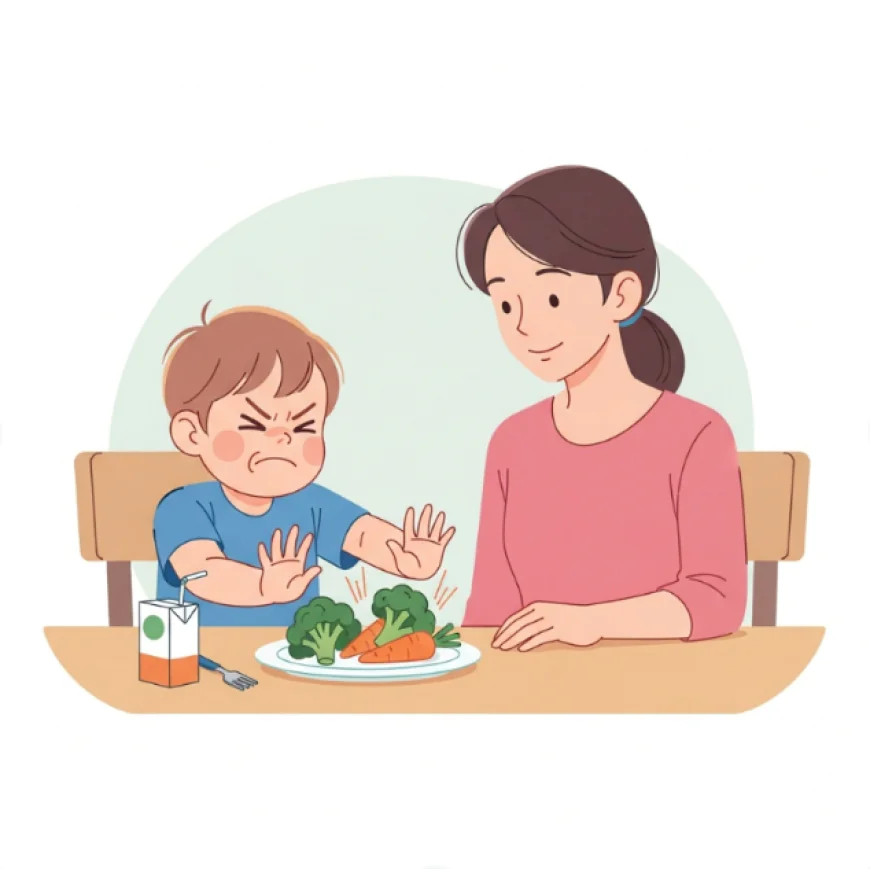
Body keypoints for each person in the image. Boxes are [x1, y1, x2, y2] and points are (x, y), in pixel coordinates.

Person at [460, 166, 747, 650]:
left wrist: (590, 622)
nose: (524, 325)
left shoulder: (696, 433)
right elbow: (491, 609)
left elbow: (716, 598)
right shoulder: (512, 442)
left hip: (664, 688)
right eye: (506, 304)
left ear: (621, 293)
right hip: (534, 690)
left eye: (550, 296)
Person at [153, 303, 455, 625]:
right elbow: (202, 570)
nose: (283, 438)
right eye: (254, 424)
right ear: (192, 433)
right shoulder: (181, 507)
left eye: (303, 427)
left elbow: (363, 535)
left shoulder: (311, 503)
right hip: (202, 657)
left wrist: (404, 558)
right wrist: (261, 586)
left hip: (293, 658)